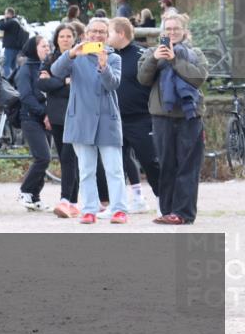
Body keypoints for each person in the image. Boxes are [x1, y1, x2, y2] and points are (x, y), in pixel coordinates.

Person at [50, 17, 127, 224]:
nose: (97, 35)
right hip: (81, 119)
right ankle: (89, 209)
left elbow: (113, 85)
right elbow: (55, 71)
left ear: (107, 35)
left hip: (106, 119)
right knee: (86, 169)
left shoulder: (114, 58)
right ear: (86, 34)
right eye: (93, 31)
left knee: (114, 168)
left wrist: (104, 67)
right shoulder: (76, 56)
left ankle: (119, 209)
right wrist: (70, 54)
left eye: (102, 31)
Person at [137, 13, 208, 225]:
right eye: (168, 29)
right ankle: (168, 210)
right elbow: (143, 78)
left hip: (189, 116)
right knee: (166, 165)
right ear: (162, 31)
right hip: (162, 117)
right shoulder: (151, 52)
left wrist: (174, 60)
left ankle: (183, 213)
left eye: (176, 29)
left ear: (184, 31)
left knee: (187, 166)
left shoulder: (195, 53)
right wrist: (155, 58)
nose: (172, 33)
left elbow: (198, 78)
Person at [107, 17, 159, 213]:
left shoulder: (142, 54)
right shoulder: (109, 55)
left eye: (109, 32)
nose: (106, 37)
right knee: (115, 165)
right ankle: (120, 204)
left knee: (150, 161)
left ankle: (163, 200)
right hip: (114, 119)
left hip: (141, 118)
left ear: (121, 33)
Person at [38, 23, 81, 218]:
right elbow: (41, 84)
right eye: (62, 36)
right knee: (65, 158)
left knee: (70, 157)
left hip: (76, 114)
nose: (65, 39)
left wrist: (54, 82)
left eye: (68, 36)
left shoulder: (81, 58)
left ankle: (66, 199)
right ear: (57, 39)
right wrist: (63, 81)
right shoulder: (50, 58)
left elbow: (78, 87)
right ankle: (72, 201)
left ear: (74, 38)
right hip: (56, 115)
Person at [16, 35, 53, 211]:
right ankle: (25, 191)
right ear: (34, 48)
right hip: (31, 118)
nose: (48, 49)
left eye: (48, 46)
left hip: (47, 119)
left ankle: (35, 196)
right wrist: (44, 113)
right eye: (44, 46)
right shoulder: (25, 70)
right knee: (43, 157)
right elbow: (26, 96)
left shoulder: (48, 67)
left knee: (45, 159)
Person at [0, 7, 28, 78]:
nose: (4, 15)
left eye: (5, 14)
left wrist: (1, 19)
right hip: (17, 47)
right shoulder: (17, 21)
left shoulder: (11, 22)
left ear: (9, 14)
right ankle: (15, 79)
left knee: (6, 65)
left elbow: (1, 26)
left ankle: (8, 80)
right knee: (14, 66)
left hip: (10, 47)